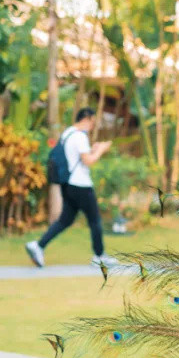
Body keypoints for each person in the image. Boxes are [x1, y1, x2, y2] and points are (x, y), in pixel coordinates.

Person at [25, 108, 112, 267]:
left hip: (67, 184)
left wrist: (92, 150)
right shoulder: (80, 136)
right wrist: (100, 150)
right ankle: (99, 256)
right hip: (81, 184)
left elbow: (76, 157)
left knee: (65, 220)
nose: (92, 126)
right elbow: (88, 161)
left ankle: (38, 246)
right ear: (86, 119)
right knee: (95, 220)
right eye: (92, 122)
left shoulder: (68, 133)